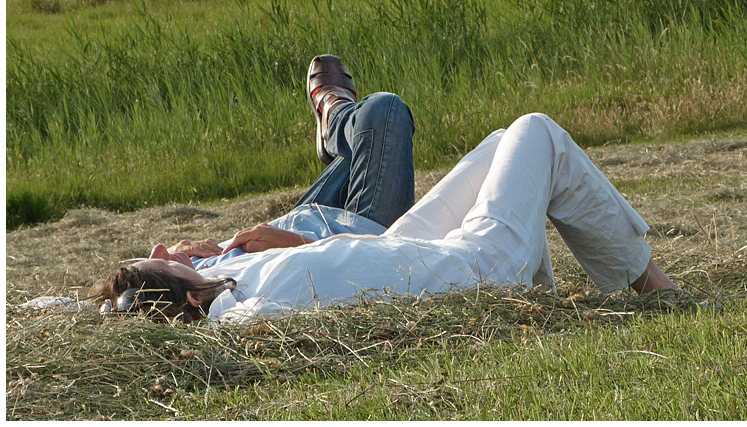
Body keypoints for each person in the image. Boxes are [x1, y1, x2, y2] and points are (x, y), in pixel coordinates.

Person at [90, 55, 679, 322]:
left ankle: (539, 298)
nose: (166, 249)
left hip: (403, 248)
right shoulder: (238, 310)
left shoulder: (226, 280)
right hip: (468, 268)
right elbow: (303, 302)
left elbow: (69, 308)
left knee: (503, 142)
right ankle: (658, 291)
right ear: (189, 299)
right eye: (162, 263)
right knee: (536, 132)